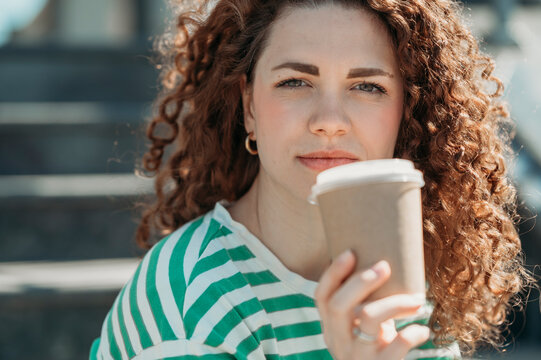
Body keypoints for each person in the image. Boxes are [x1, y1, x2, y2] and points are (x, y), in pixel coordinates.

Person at [90, 0, 536, 359]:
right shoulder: (194, 300)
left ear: (407, 114)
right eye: (295, 82)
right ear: (248, 106)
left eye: (367, 87)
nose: (329, 122)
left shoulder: (403, 272)